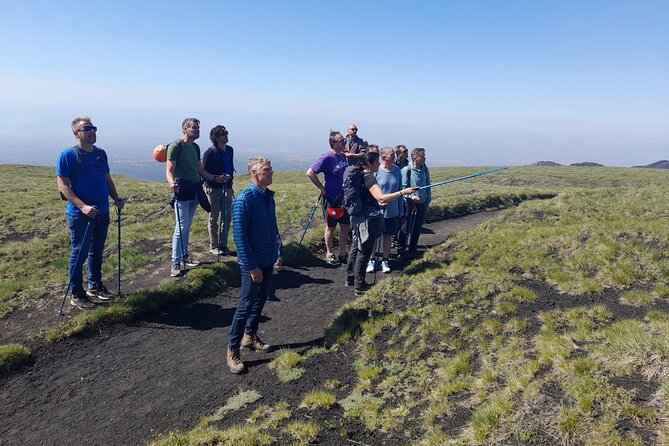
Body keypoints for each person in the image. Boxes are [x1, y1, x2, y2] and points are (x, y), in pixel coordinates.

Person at [56, 117, 125, 309]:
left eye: (93, 128)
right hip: (81, 214)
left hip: (102, 210)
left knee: (97, 251)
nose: (91, 131)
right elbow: (62, 185)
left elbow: (107, 180)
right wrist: (82, 206)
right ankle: (77, 294)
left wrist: (116, 199)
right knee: (79, 253)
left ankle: (95, 287)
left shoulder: (101, 154)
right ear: (76, 133)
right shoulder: (68, 155)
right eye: (86, 129)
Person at [227, 156, 284, 374]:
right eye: (267, 170)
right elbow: (240, 238)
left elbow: (273, 226)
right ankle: (232, 349)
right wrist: (252, 267)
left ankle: (249, 337)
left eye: (270, 169)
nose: (271, 173)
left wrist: (279, 250)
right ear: (254, 173)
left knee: (260, 299)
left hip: (267, 258)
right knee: (245, 304)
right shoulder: (244, 200)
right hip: (252, 264)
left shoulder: (268, 197)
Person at [345, 152, 417, 296]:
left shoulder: (358, 176)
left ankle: (350, 278)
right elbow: (381, 196)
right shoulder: (369, 178)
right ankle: (360, 286)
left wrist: (378, 205)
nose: (378, 164)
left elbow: (368, 199)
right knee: (364, 251)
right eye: (376, 162)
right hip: (367, 220)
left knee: (355, 246)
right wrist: (402, 192)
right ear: (370, 164)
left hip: (358, 217)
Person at [166, 118, 219, 277]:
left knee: (187, 225)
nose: (197, 131)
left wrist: (215, 178)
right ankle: (176, 262)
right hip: (182, 190)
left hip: (195, 190)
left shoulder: (195, 147)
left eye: (198, 128)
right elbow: (169, 170)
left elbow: (200, 169)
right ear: (185, 129)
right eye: (194, 128)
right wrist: (171, 183)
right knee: (181, 226)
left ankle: (184, 256)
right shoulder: (176, 146)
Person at [306, 131, 350, 265]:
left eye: (344, 140)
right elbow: (310, 172)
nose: (344, 142)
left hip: (344, 197)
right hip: (331, 198)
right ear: (333, 143)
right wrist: (321, 188)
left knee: (345, 226)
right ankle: (329, 253)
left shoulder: (344, 156)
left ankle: (343, 253)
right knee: (331, 226)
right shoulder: (327, 157)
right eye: (341, 140)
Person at [367, 147, 402, 274]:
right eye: (392, 155)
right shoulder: (376, 171)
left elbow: (399, 189)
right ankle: (372, 260)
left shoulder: (397, 170)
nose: (394, 157)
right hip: (377, 210)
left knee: (388, 236)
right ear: (384, 157)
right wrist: (378, 204)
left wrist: (400, 209)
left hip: (392, 210)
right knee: (375, 236)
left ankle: (385, 260)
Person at [201, 125, 235, 256]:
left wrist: (229, 179)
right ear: (215, 137)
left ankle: (223, 244)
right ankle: (214, 245)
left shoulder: (230, 150)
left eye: (226, 132)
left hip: (226, 187)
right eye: (222, 134)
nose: (226, 135)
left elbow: (230, 167)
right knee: (214, 217)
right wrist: (216, 178)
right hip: (213, 188)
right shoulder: (210, 152)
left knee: (226, 217)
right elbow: (203, 172)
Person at [398, 148, 431, 258]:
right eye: (423, 156)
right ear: (416, 158)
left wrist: (428, 199)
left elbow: (428, 185)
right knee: (405, 227)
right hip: (408, 203)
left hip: (422, 202)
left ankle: (413, 248)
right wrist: (411, 196)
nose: (425, 158)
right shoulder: (406, 170)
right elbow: (403, 188)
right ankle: (401, 249)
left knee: (417, 226)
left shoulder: (425, 169)